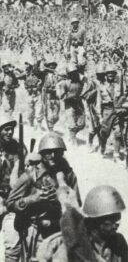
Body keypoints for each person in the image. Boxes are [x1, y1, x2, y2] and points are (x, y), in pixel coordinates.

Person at [6, 132, 81, 261]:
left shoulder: (67, 174)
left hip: (58, 229)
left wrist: (63, 198)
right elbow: (10, 204)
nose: (52, 156)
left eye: (57, 152)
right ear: (42, 153)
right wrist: (33, 199)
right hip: (35, 231)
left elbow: (77, 203)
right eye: (48, 152)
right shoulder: (30, 175)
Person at [36, 185, 128, 262]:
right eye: (112, 219)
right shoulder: (70, 248)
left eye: (118, 217)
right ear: (97, 220)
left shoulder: (119, 242)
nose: (117, 223)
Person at [0, 115, 25, 262]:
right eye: (6, 129)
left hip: (11, 200)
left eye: (11, 129)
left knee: (13, 246)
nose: (10, 132)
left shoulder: (18, 148)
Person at [99, 65, 123, 161]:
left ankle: (116, 154)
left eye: (112, 74)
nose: (110, 75)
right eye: (109, 73)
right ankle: (102, 148)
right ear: (106, 75)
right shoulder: (101, 86)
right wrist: (99, 116)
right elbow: (98, 101)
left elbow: (122, 97)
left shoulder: (118, 86)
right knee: (105, 133)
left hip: (116, 111)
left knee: (118, 133)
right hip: (106, 111)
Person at [57, 64, 86, 144]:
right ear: (69, 74)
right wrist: (70, 96)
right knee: (72, 123)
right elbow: (61, 96)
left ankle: (71, 135)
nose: (74, 75)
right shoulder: (65, 83)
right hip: (69, 105)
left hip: (79, 104)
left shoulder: (80, 82)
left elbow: (84, 90)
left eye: (75, 73)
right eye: (72, 73)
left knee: (82, 123)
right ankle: (74, 141)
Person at [16, 61, 43, 129]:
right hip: (29, 93)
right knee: (30, 110)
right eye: (25, 65)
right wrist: (17, 70)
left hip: (37, 92)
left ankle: (39, 126)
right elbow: (18, 77)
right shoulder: (26, 74)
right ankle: (31, 124)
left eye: (27, 64)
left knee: (39, 109)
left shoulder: (38, 73)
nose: (26, 66)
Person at [42, 62, 60, 131]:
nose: (52, 67)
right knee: (49, 113)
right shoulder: (45, 75)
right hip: (48, 96)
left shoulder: (56, 75)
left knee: (56, 116)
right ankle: (50, 128)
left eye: (54, 66)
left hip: (56, 96)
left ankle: (50, 124)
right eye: (51, 66)